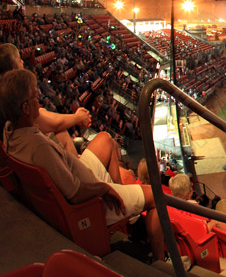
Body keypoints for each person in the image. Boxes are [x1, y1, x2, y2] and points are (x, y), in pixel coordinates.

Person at [1, 69, 165, 260]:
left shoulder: (9, 130)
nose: (40, 102)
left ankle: (124, 200)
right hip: (92, 200)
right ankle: (161, 259)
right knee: (156, 195)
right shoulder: (38, 149)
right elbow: (75, 193)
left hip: (81, 176)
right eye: (35, 97)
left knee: (105, 138)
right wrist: (103, 188)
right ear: (26, 108)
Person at [0, 43, 132, 185]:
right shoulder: (20, 108)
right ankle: (108, 189)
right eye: (19, 59)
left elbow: (42, 114)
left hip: (32, 175)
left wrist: (75, 118)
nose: (22, 62)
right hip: (78, 186)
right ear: (13, 71)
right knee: (104, 139)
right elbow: (48, 121)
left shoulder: (8, 102)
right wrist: (77, 118)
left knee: (61, 133)